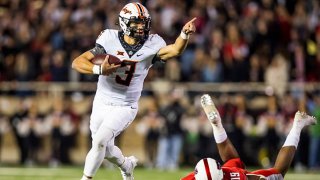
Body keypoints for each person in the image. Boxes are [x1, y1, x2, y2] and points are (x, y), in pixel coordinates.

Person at [71, 2, 196, 180]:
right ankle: (126, 165)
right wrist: (98, 70)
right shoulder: (109, 39)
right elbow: (77, 62)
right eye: (136, 23)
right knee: (104, 149)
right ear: (124, 23)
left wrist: (184, 34)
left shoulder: (153, 43)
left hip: (125, 105)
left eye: (143, 23)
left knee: (99, 141)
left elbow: (175, 50)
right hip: (101, 102)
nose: (140, 27)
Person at [181, 94, 317, 180]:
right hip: (226, 172)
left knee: (278, 173)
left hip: (234, 174)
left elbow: (255, 178)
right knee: (233, 159)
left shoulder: (235, 177)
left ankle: (297, 125)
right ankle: (218, 127)